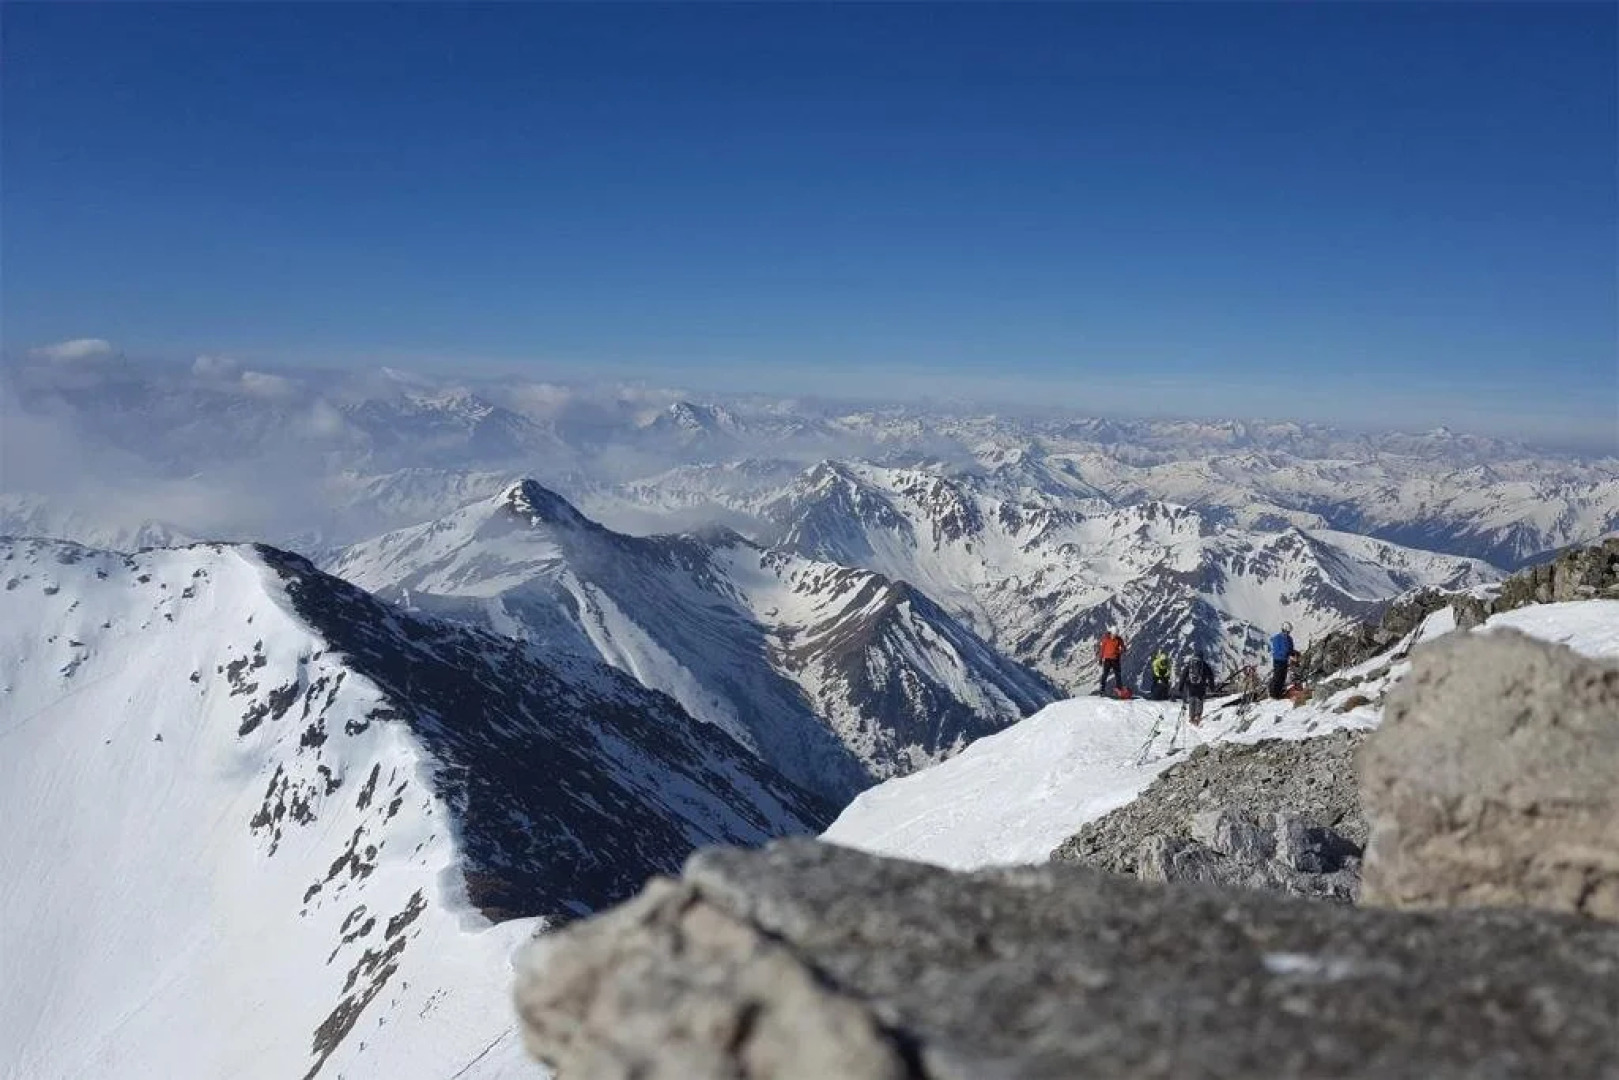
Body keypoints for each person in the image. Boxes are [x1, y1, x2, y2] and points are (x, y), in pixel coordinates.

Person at [1178, 651, 1215, 725]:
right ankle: (1198, 716)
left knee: (1192, 700)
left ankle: (1191, 717)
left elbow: (1183, 675)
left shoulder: (1190, 664)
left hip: (1191, 685)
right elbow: (1210, 676)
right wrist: (1212, 687)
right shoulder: (1204, 664)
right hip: (1201, 685)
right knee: (1199, 699)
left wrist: (1180, 686)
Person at [1269, 622, 1299, 699]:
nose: (1287, 633)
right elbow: (1277, 650)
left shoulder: (1289, 639)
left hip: (1284, 660)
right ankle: (1274, 694)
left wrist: (1293, 653)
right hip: (1278, 660)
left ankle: (1279, 691)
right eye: (1287, 631)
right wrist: (1288, 653)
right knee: (1277, 677)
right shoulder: (1277, 638)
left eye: (1288, 632)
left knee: (1282, 676)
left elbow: (1290, 648)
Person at [1097, 629, 1126, 696]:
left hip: (1115, 659)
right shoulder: (1106, 639)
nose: (1114, 636)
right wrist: (1100, 659)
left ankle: (1119, 689)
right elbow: (1102, 649)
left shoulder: (1119, 639)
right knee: (1105, 675)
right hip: (1107, 660)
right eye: (1113, 635)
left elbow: (1124, 648)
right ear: (1111, 633)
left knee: (1118, 675)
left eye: (1115, 635)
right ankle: (1102, 690)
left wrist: (1119, 652)